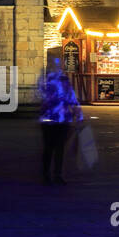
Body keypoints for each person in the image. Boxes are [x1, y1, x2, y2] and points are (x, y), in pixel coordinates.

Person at [39, 56, 83, 185]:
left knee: (54, 147)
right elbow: (71, 98)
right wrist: (77, 114)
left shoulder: (48, 80)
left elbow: (71, 98)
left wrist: (77, 113)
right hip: (56, 118)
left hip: (55, 118)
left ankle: (51, 174)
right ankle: (52, 174)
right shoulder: (54, 80)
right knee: (55, 148)